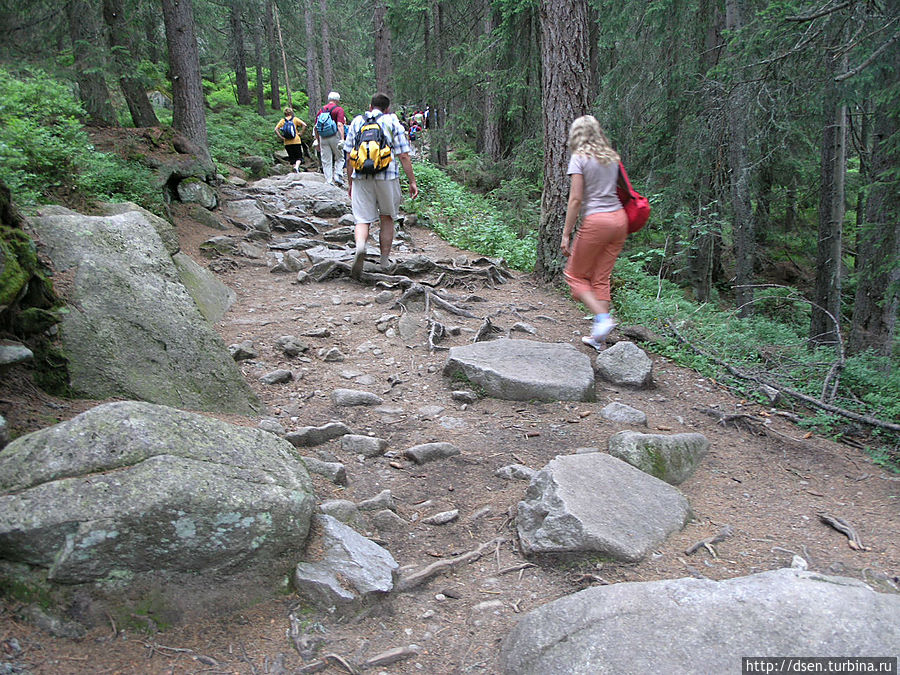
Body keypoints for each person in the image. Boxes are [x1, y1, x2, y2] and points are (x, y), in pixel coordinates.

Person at [560, 115, 628, 351]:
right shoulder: (612, 157)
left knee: (574, 276)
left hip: (598, 221)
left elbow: (576, 199)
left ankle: (603, 319)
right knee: (601, 278)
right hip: (620, 220)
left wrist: (566, 233)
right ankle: (599, 340)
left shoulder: (579, 158)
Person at [345, 92, 418, 278]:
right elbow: (403, 155)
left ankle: (360, 247)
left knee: (362, 218)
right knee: (387, 217)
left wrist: (350, 181)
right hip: (388, 176)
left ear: (370, 107)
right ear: (387, 109)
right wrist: (412, 181)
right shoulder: (393, 122)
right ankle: (384, 261)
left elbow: (349, 156)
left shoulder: (356, 122)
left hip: (361, 176)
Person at [314, 91, 347, 186]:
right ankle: (337, 175)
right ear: (337, 100)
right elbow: (340, 124)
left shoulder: (321, 110)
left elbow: (316, 127)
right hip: (334, 136)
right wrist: (342, 139)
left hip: (323, 137)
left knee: (326, 160)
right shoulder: (338, 109)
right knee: (340, 157)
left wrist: (318, 140)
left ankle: (328, 180)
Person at [275, 107, 308, 173]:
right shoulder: (295, 119)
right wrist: (300, 133)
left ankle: (295, 169)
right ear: (291, 113)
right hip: (296, 141)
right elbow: (304, 125)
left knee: (292, 158)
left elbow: (276, 129)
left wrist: (281, 137)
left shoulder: (283, 121)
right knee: (299, 157)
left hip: (287, 142)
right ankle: (296, 167)